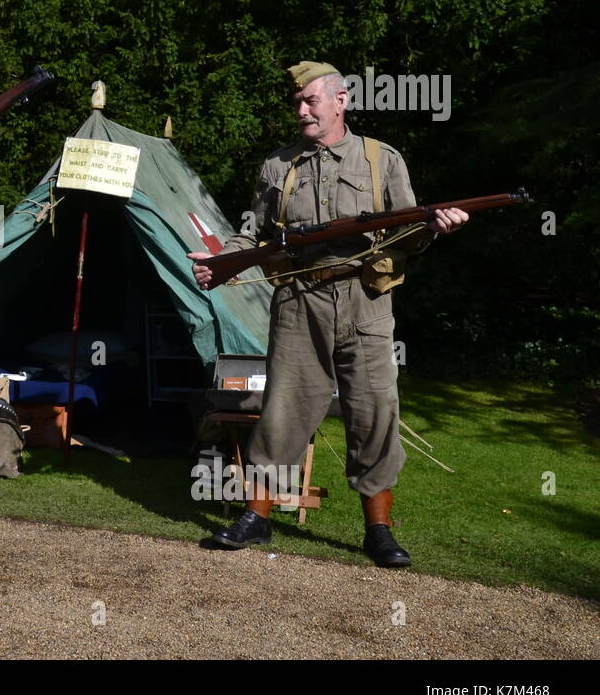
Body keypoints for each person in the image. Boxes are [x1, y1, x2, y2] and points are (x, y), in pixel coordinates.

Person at [189, 61, 467, 567]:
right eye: (296, 103)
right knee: (282, 412)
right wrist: (221, 259)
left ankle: (378, 531)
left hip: (366, 302)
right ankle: (257, 519)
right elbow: (251, 234)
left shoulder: (383, 161)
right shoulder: (279, 166)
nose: (301, 111)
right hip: (299, 302)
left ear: (340, 101)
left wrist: (435, 226)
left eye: (310, 101)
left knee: (375, 413)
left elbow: (410, 231)